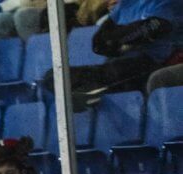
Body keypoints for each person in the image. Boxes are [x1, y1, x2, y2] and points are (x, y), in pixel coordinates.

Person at [55, 0, 183, 104]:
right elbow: (99, 42)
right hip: (122, 61)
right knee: (60, 77)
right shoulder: (127, 4)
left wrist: (118, 38)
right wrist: (119, 39)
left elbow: (155, 26)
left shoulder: (169, 3)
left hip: (155, 62)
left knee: (112, 75)